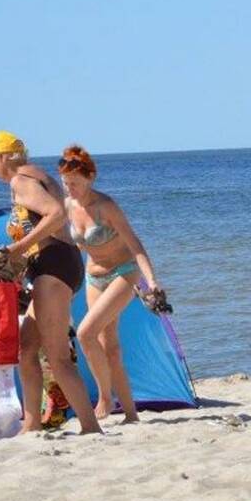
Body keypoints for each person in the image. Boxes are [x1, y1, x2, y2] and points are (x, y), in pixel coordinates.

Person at [0, 131, 102, 435]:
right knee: (27, 347)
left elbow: (56, 216)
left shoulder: (20, 180)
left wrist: (16, 249)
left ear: (1, 158)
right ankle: (31, 424)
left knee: (58, 357)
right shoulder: (37, 175)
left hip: (54, 266)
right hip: (55, 265)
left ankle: (91, 427)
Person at [58, 144, 166, 423]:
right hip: (94, 277)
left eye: (75, 183)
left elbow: (135, 245)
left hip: (123, 272)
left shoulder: (106, 207)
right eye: (66, 183)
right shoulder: (68, 205)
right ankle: (130, 414)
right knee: (110, 347)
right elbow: (70, 243)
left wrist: (152, 282)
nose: (70, 188)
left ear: (90, 178)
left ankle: (105, 397)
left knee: (85, 333)